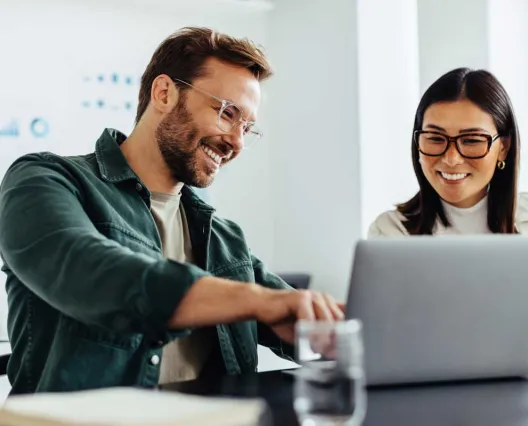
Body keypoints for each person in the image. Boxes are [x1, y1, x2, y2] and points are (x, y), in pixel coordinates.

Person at [0, 27, 344, 394]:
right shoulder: (45, 179)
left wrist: (325, 326)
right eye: (227, 113)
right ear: (164, 93)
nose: (237, 142)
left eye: (247, 127)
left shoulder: (224, 239)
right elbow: (92, 273)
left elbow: (289, 312)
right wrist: (257, 301)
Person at [367, 67, 528, 355]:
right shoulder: (390, 233)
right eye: (435, 139)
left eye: (471, 141)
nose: (450, 159)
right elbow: (394, 340)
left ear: (503, 148)